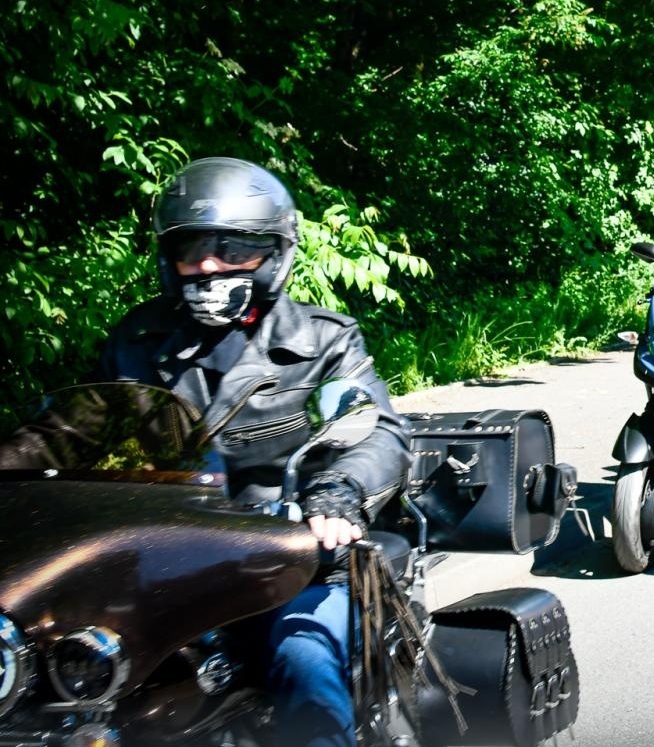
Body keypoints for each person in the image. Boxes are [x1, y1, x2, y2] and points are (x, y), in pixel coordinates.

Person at [4, 157, 410, 747]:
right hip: (169, 564)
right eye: (191, 248)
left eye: (233, 247)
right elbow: (65, 434)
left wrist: (337, 492)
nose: (209, 265)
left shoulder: (324, 340)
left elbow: (376, 431)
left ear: (273, 254)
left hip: (290, 563)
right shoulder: (138, 341)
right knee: (60, 677)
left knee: (305, 660)